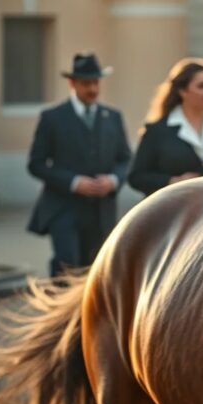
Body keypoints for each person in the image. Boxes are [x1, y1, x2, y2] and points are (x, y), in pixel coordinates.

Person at [26, 53, 132, 276]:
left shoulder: (112, 117)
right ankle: (63, 312)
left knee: (96, 273)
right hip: (63, 209)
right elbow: (36, 164)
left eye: (96, 82)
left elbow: (125, 159)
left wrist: (112, 180)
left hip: (101, 211)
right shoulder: (52, 117)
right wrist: (73, 182)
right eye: (86, 83)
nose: (92, 88)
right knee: (67, 269)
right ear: (72, 83)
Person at [128, 58, 203, 197]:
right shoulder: (157, 130)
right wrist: (172, 181)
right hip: (173, 212)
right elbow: (137, 176)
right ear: (182, 91)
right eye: (202, 86)